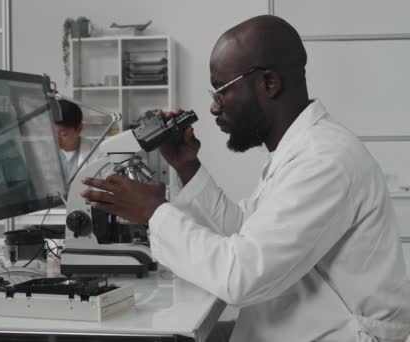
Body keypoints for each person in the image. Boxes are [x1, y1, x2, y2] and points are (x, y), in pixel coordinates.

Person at [80, 15, 410, 342]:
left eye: (221, 92)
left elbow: (242, 276)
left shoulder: (324, 161)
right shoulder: (299, 152)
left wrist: (154, 212)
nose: (213, 108)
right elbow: (243, 231)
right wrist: (186, 166)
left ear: (269, 83)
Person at [54, 98, 104, 183]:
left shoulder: (98, 154)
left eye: (64, 134)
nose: (57, 141)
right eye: (52, 133)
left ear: (79, 128)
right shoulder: (42, 154)